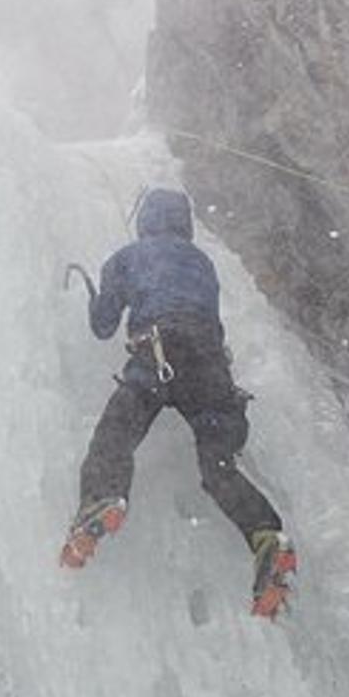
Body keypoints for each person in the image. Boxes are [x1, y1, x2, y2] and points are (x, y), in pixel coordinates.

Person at [61, 187, 297, 619]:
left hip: (158, 355)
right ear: (184, 222)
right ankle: (265, 536)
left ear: (145, 220)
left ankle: (104, 498)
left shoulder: (128, 257)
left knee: (114, 439)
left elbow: (103, 326)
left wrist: (97, 296)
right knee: (218, 468)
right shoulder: (202, 263)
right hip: (210, 370)